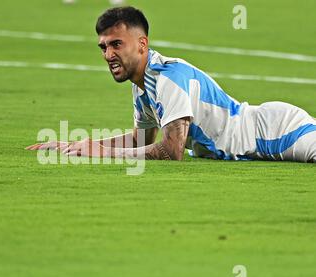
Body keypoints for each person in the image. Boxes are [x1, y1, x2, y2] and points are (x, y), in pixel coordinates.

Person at [27, 6, 316, 162]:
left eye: (116, 44)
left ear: (142, 44)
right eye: (103, 47)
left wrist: (105, 153)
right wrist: (81, 145)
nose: (108, 54)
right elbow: (142, 141)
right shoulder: (141, 84)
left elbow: (172, 150)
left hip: (275, 132)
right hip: (256, 140)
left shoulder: (167, 77)